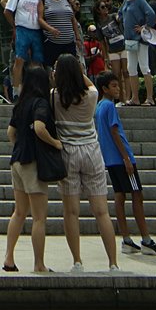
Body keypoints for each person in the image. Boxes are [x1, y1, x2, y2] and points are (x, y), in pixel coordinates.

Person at [51, 53, 119, 271]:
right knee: (102, 211)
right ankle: (113, 263)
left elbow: (55, 85)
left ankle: (77, 261)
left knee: (71, 212)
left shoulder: (54, 96)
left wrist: (59, 74)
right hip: (91, 150)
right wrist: (77, 71)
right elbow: (89, 84)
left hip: (67, 152)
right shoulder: (92, 95)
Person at [94, 69, 156, 256]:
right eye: (113, 86)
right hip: (121, 159)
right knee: (137, 195)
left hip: (110, 160)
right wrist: (126, 157)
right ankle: (146, 239)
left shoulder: (99, 107)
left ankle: (126, 239)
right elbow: (115, 132)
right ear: (104, 88)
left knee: (120, 196)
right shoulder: (109, 107)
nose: (117, 89)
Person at [2, 61, 60, 273]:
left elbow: (10, 133)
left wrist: (20, 145)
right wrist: (55, 143)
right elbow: (39, 127)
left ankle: (9, 258)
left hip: (17, 160)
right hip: (33, 162)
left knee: (19, 212)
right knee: (39, 217)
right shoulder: (41, 104)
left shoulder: (21, 103)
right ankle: (39, 263)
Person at [119, 0, 156, 107]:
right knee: (131, 67)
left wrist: (144, 27)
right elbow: (120, 14)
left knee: (144, 66)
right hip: (129, 39)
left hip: (140, 38)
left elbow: (151, 14)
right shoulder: (126, 1)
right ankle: (135, 98)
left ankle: (149, 98)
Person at [3, 0, 47, 93]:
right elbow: (7, 11)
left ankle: (38, 88)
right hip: (22, 29)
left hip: (36, 30)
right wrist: (14, 25)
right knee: (19, 59)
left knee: (37, 61)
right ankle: (16, 91)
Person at [40, 0, 82, 69]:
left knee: (71, 67)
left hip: (69, 42)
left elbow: (73, 19)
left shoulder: (65, 0)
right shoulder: (43, 0)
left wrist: (78, 38)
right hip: (52, 42)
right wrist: (50, 29)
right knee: (51, 68)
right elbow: (39, 19)